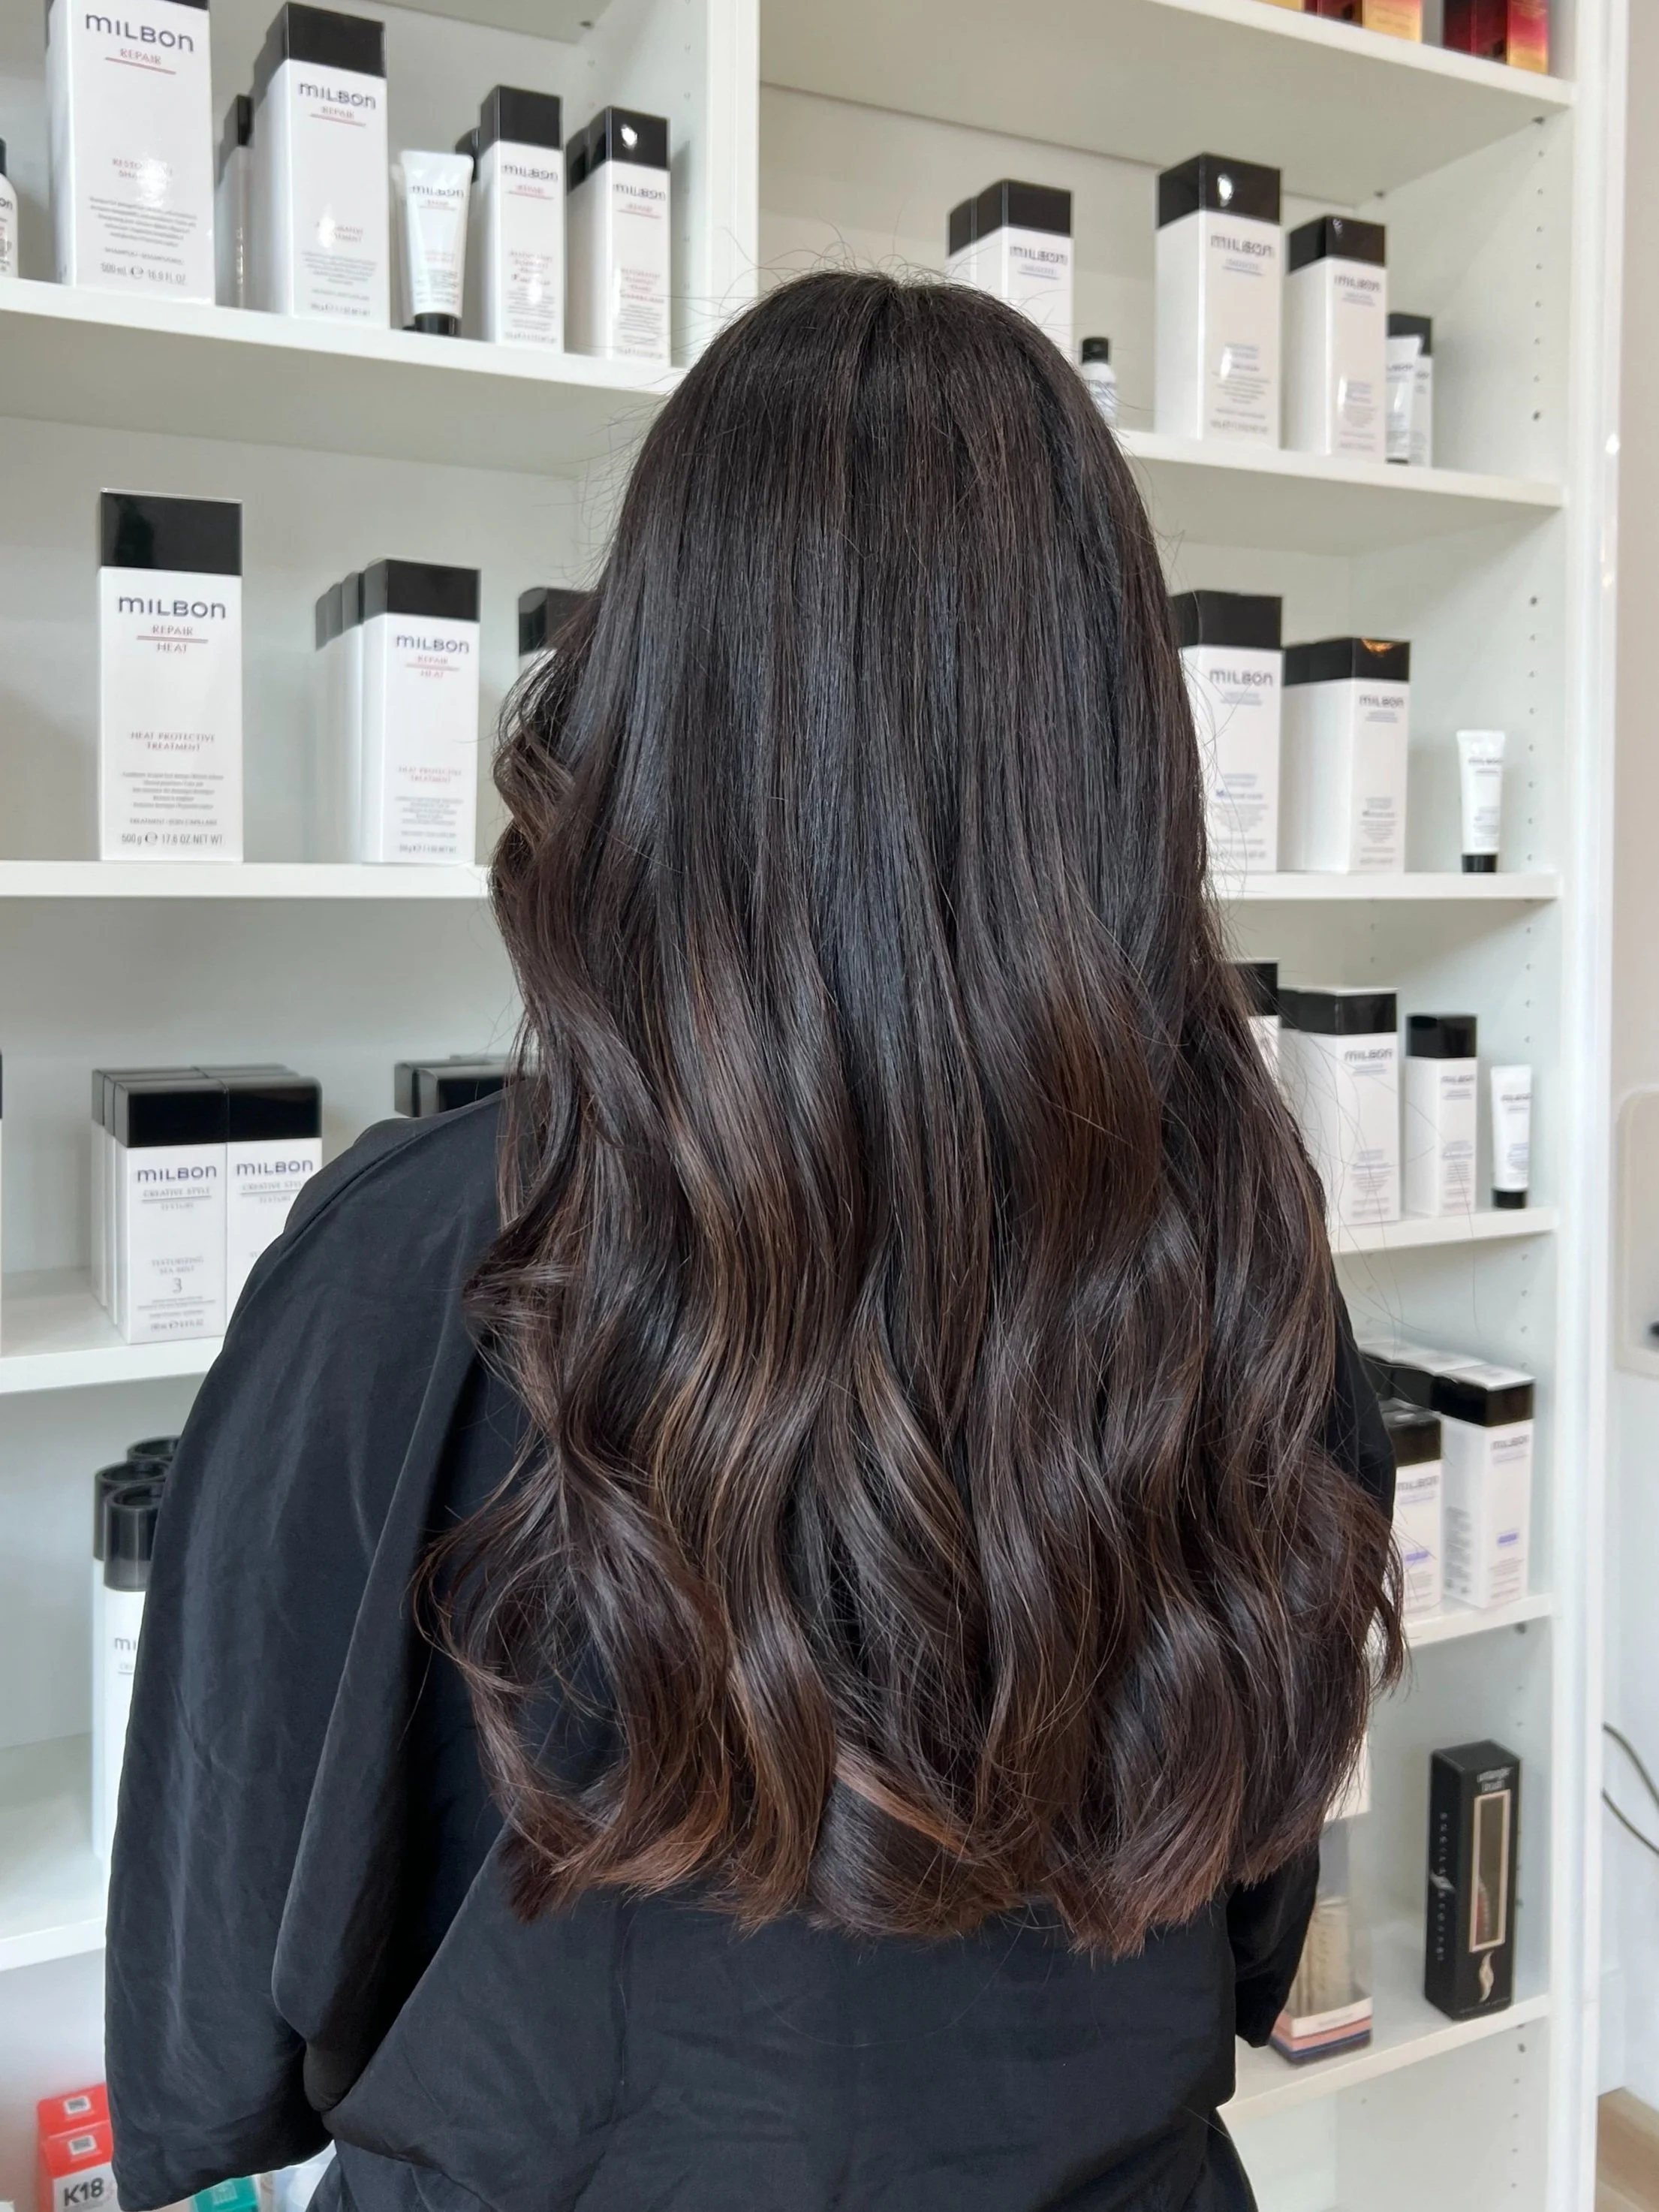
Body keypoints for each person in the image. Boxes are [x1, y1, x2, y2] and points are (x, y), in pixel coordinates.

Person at [106, 271, 1402, 2212]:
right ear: (1120, 756)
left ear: (644, 709)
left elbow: (220, 2003)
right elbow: (1238, 1899)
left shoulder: (418, 1259)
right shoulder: (1233, 1271)